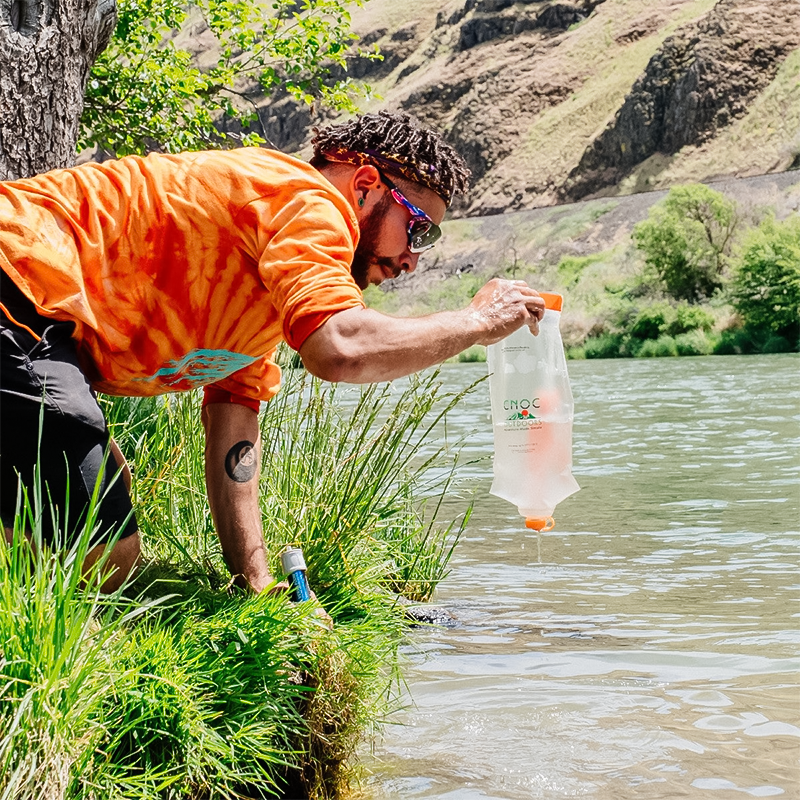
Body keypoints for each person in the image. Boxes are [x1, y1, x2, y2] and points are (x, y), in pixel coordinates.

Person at [0, 111, 545, 592]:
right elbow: (340, 349)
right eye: (418, 231)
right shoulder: (310, 202)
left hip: (30, 320)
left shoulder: (268, 279)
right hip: (15, 284)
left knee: (96, 513)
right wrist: (478, 322)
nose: (412, 260)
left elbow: (233, 434)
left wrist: (256, 580)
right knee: (102, 556)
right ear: (364, 184)